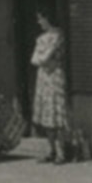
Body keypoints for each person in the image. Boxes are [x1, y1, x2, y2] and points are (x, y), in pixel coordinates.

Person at [31, 9, 68, 165]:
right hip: (44, 77)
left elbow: (45, 56)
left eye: (41, 18)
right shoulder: (41, 38)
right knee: (46, 113)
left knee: (57, 113)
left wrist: (43, 57)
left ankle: (61, 152)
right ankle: (51, 149)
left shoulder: (58, 35)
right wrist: (43, 58)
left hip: (55, 77)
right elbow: (34, 60)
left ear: (48, 18)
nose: (39, 22)